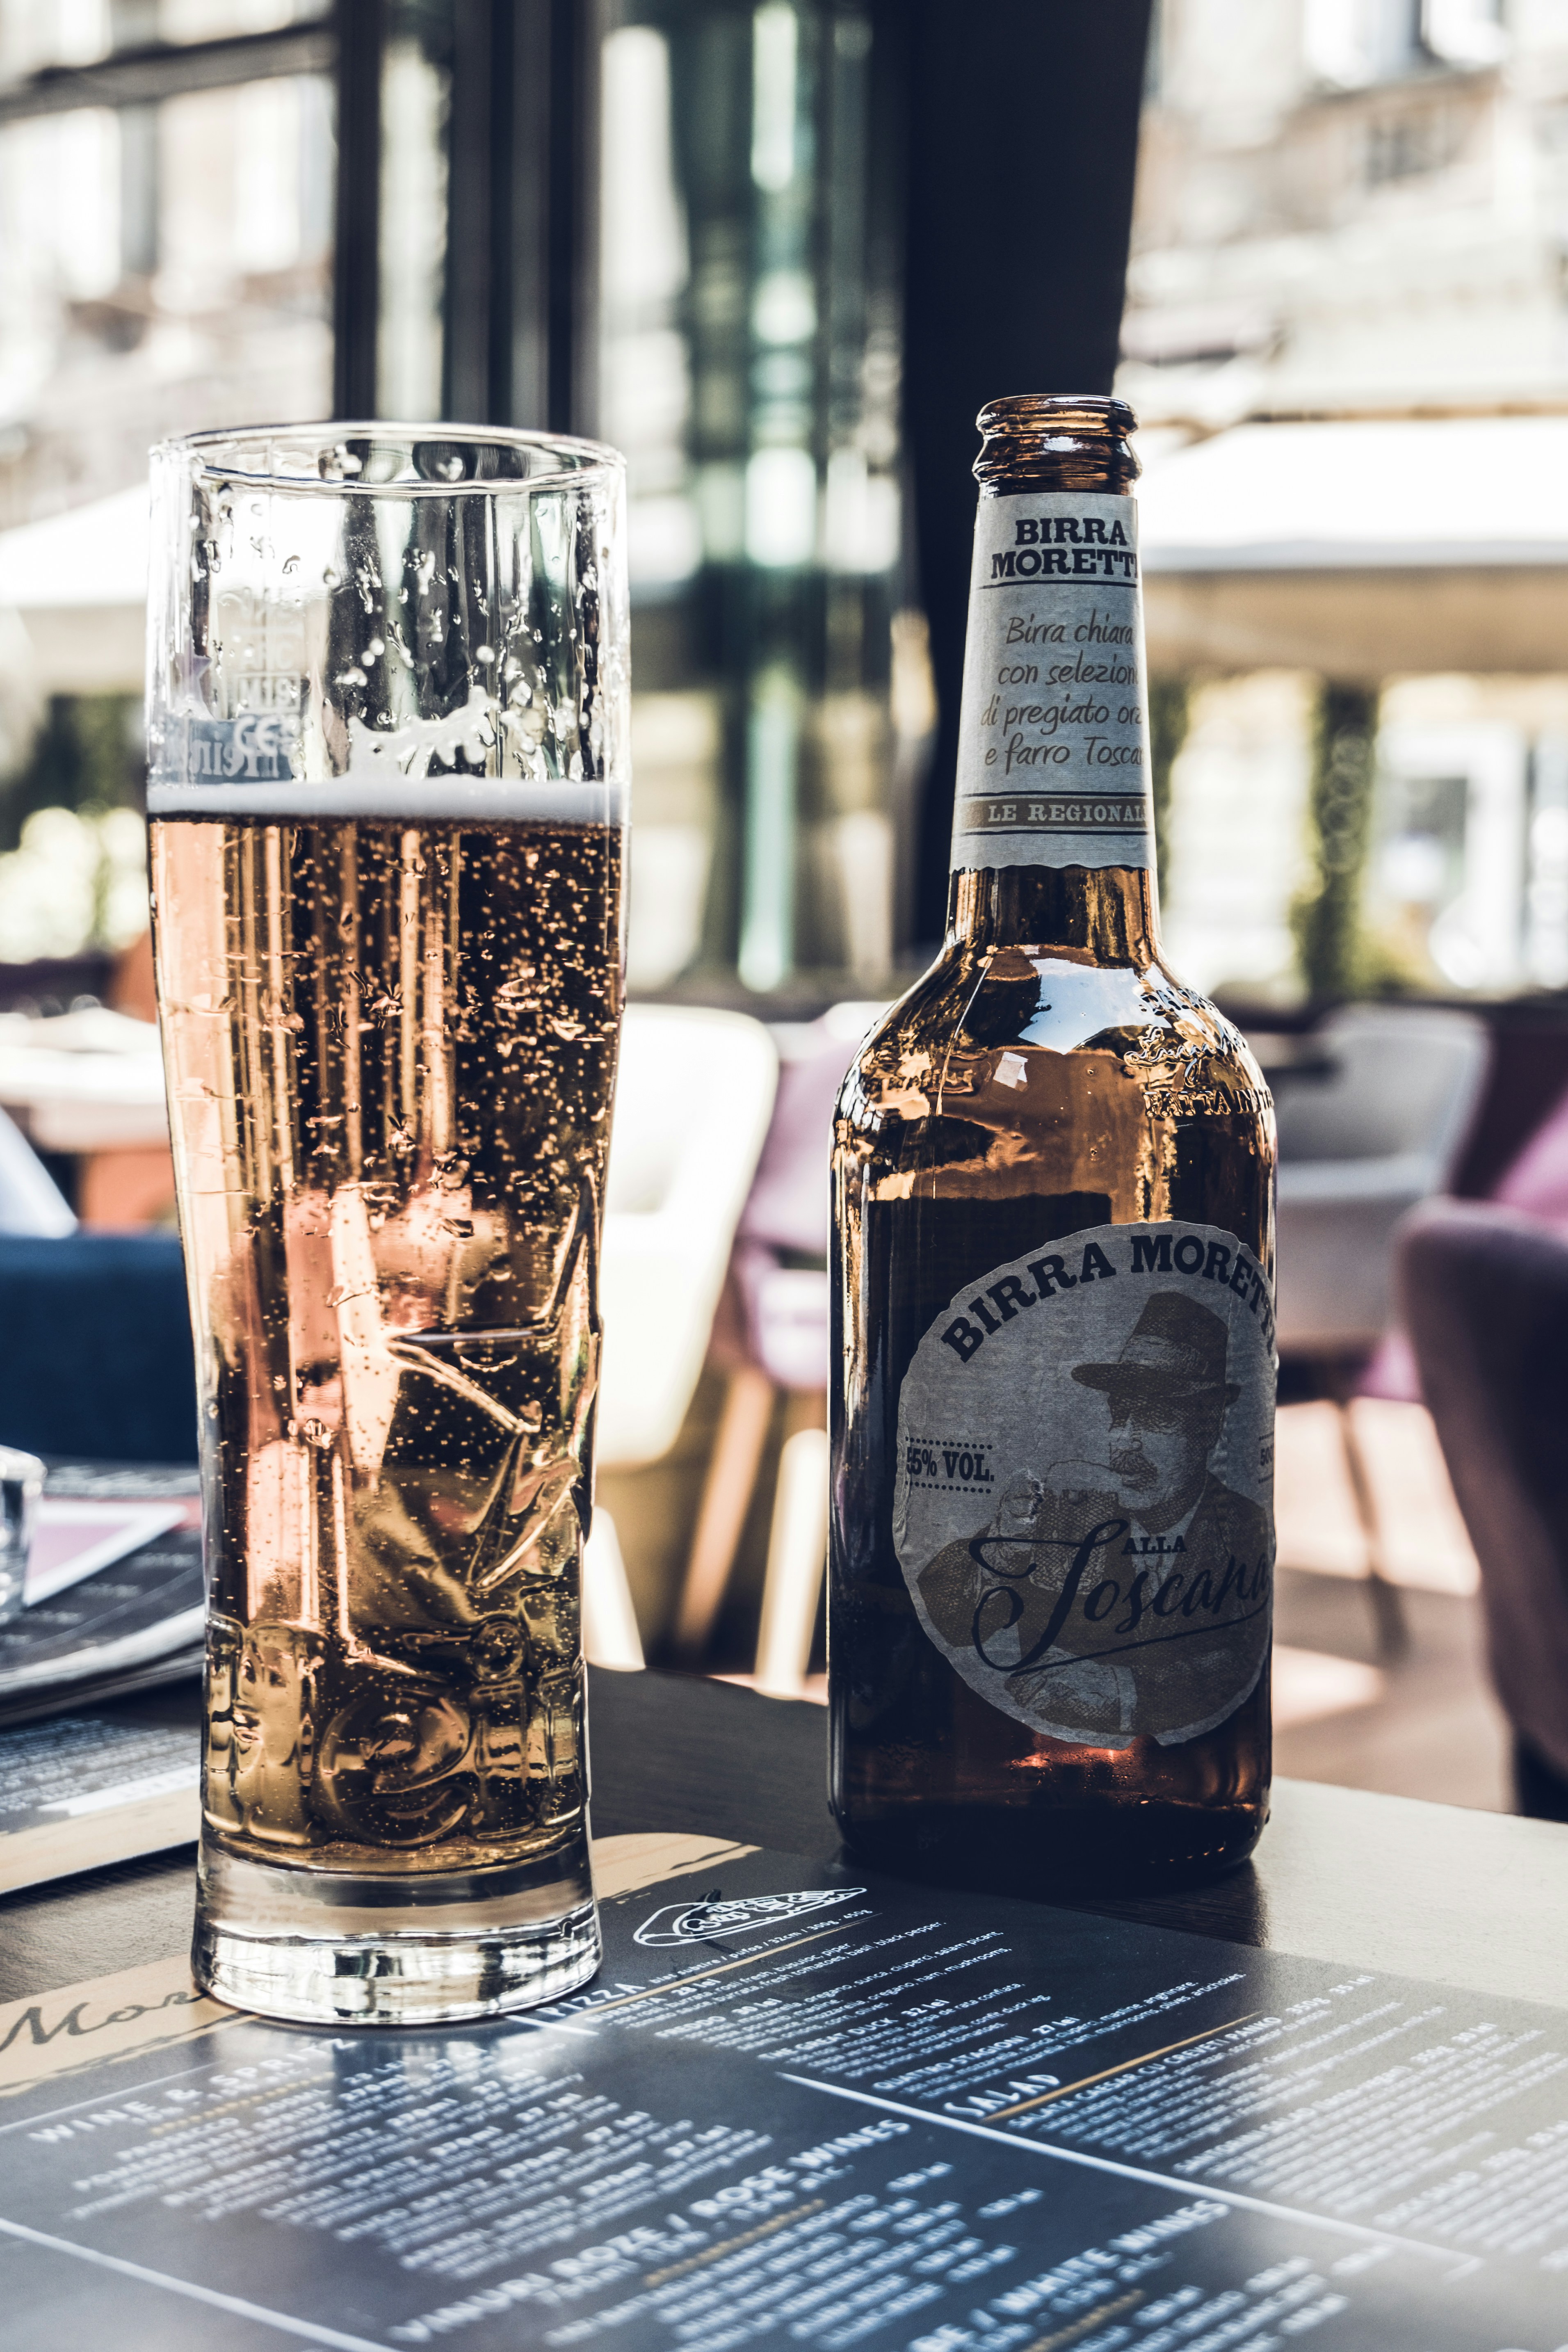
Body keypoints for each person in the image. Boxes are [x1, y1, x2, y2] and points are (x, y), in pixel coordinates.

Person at [916, 1293, 1271, 1743]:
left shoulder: (1238, 1526)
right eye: (1119, 1415)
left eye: (1156, 1417)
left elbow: (1242, 1656)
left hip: (1176, 1778)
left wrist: (1125, 1693)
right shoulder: (1074, 1512)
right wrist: (1003, 1548)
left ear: (1209, 1427)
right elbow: (952, 1619)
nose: (1124, 1441)